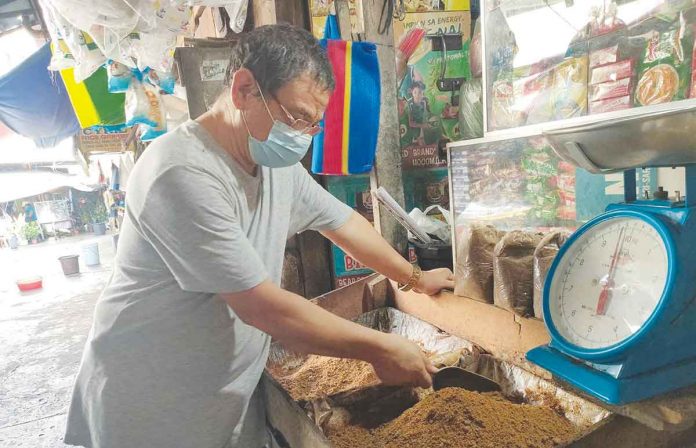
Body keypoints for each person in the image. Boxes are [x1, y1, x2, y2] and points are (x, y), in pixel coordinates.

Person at [64, 24, 454, 448]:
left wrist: (412, 278)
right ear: (244, 89)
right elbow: (265, 309)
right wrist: (381, 349)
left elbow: (342, 222)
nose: (304, 136)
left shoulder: (272, 164)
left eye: (314, 125)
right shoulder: (181, 172)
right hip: (152, 407)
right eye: (298, 117)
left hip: (225, 396)